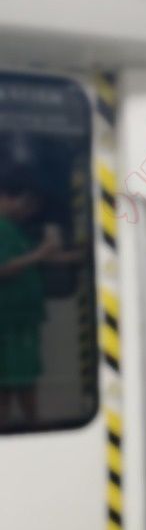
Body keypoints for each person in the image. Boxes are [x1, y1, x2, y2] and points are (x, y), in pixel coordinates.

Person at [0, 177, 59, 429]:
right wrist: (40, 253)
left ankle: (31, 425)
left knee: (21, 380)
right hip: (8, 323)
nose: (28, 211)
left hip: (22, 321)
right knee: (12, 382)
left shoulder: (13, 229)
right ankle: (29, 427)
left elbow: (34, 257)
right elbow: (4, 268)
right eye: (27, 203)